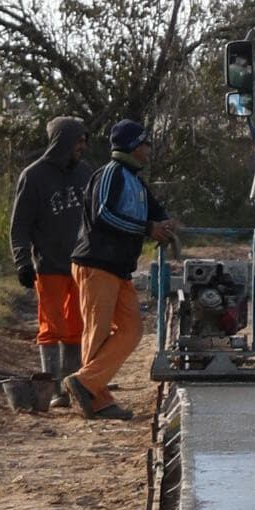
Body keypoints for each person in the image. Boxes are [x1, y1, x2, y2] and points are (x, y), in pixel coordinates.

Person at [69, 117, 179, 417]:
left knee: (131, 330)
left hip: (118, 268)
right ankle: (95, 400)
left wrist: (165, 224)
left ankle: (85, 382)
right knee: (98, 333)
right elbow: (104, 215)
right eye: (145, 144)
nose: (148, 150)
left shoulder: (136, 181)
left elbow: (156, 212)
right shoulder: (110, 174)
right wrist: (148, 228)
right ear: (132, 146)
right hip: (96, 264)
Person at [9, 114, 89, 406]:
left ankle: (71, 388)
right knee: (50, 328)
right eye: (78, 141)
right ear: (62, 141)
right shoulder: (34, 176)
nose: (82, 147)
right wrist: (22, 262)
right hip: (49, 266)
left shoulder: (85, 174)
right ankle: (51, 389)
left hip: (81, 265)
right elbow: (19, 226)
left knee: (76, 327)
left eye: (84, 141)